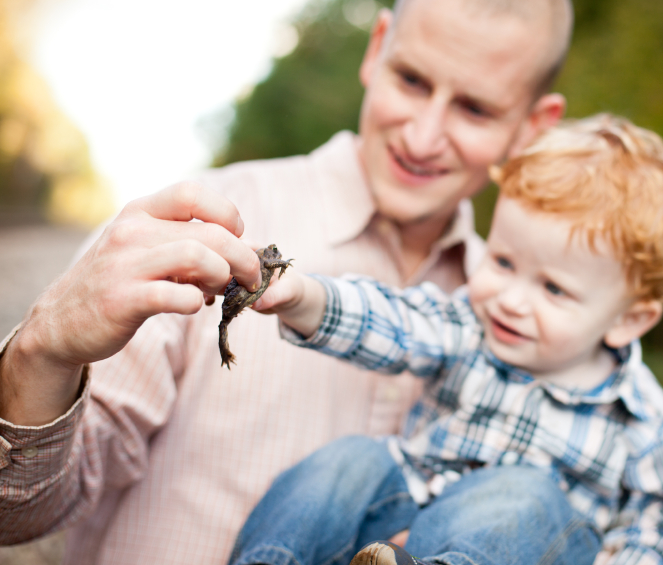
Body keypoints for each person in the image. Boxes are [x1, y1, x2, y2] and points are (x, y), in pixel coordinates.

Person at [0, 0, 570, 563]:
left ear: (532, 127)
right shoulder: (197, 225)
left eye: (474, 109)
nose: (422, 138)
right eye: (412, 80)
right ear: (377, 49)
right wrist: (41, 352)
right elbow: (17, 513)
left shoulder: (537, 328)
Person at [226, 114, 663, 565]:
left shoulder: (639, 415)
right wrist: (302, 297)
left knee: (523, 494)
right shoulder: (467, 326)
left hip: (523, 544)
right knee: (350, 460)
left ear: (628, 319)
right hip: (402, 514)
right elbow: (394, 322)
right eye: (503, 263)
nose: (511, 299)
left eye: (554, 289)